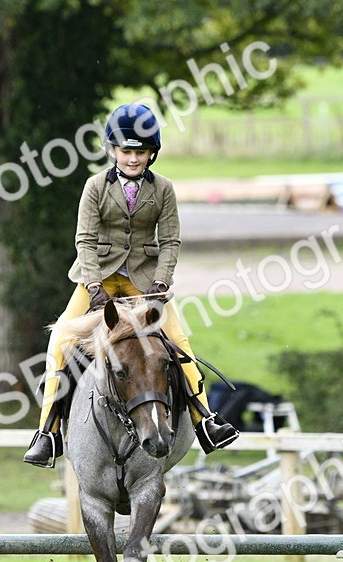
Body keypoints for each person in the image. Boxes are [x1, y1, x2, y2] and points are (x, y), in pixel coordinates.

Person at [23, 103, 239, 468]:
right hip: (99, 280)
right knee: (59, 338)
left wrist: (161, 280)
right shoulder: (94, 187)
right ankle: (48, 432)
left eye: (140, 152)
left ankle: (205, 420)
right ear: (113, 151)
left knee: (179, 342)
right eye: (127, 151)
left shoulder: (164, 189)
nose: (133, 158)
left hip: (145, 283)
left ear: (151, 153)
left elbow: (170, 241)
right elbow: (85, 241)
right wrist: (94, 286)